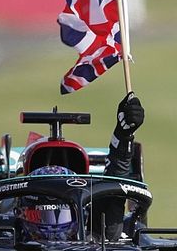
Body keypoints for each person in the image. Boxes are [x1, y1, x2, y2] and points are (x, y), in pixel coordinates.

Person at [13, 92, 145, 242]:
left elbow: (115, 185)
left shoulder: (96, 233)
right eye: (43, 216)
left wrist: (124, 136)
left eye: (61, 215)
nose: (54, 228)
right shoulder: (3, 238)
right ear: (21, 212)